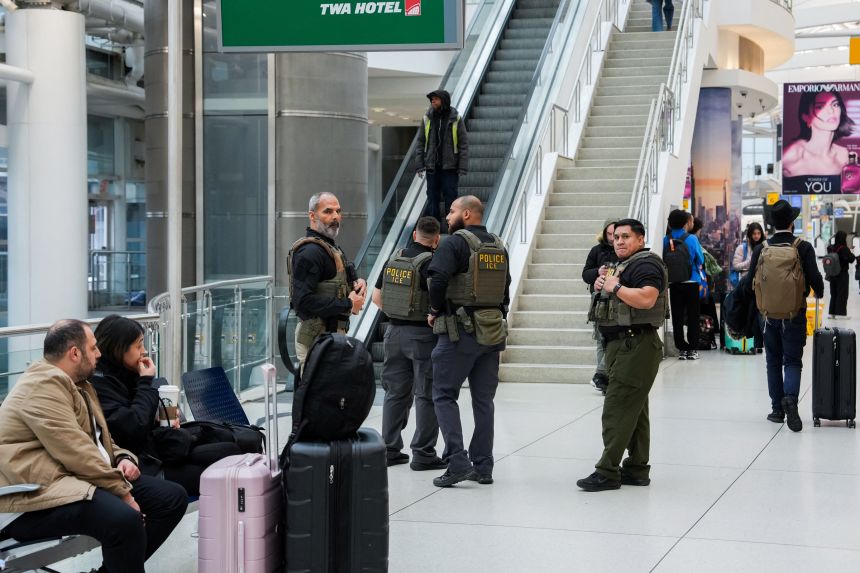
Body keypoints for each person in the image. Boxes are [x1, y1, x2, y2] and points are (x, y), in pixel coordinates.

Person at [0, 320, 187, 573]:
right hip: (30, 498)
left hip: (71, 480)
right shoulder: (42, 386)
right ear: (75, 353)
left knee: (171, 498)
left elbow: (100, 439)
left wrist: (123, 457)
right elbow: (76, 451)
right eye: (93, 348)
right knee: (125, 520)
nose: (99, 354)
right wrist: (124, 494)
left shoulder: (79, 384)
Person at [90, 315, 243, 496]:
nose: (144, 351)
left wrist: (160, 417)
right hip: (143, 463)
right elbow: (133, 427)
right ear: (118, 349)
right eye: (138, 345)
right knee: (224, 471)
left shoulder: (125, 375)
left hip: (158, 451)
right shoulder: (100, 384)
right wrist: (146, 381)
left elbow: (140, 415)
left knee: (230, 448)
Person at [426, 195, 510, 487]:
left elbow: (437, 280)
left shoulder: (453, 243)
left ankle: (457, 461)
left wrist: (435, 310)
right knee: (483, 401)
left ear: (465, 213)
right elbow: (505, 289)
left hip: (459, 332)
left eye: (450, 211)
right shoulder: (498, 245)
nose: (447, 217)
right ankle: (483, 466)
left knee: (443, 394)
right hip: (492, 332)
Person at [577, 219, 667, 492]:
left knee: (616, 409)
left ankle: (607, 471)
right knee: (635, 411)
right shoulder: (622, 264)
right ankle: (637, 469)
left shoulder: (646, 264)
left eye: (626, 237)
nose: (619, 241)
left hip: (635, 345)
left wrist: (615, 287)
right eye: (616, 237)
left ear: (640, 239)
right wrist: (602, 286)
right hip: (621, 345)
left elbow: (647, 299)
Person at [371, 216, 446, 470]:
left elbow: (376, 296)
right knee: (426, 393)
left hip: (393, 332)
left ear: (415, 235)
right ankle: (423, 453)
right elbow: (438, 296)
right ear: (436, 239)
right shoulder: (432, 262)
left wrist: (395, 314)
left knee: (395, 392)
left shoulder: (395, 258)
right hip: (422, 336)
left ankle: (390, 449)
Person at [745, 200, 825, 432]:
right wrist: (817, 291)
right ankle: (790, 398)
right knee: (792, 361)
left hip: (768, 315)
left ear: (772, 224)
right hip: (795, 314)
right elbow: (815, 280)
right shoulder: (803, 247)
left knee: (772, 361)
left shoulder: (762, 248)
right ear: (791, 222)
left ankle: (777, 410)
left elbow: (751, 281)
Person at [288, 192, 366, 367]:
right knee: (318, 392)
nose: (335, 217)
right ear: (312, 215)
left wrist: (358, 284)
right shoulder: (310, 252)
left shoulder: (329, 247)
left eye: (338, 211)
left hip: (332, 336)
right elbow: (302, 301)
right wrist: (348, 304)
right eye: (328, 211)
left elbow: (338, 282)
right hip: (316, 339)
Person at [416, 89, 469, 223]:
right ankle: (434, 226)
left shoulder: (456, 118)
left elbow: (463, 144)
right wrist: (419, 165)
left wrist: (462, 166)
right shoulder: (427, 118)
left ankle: (451, 225)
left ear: (444, 101)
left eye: (436, 99)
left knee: (450, 197)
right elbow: (420, 142)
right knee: (432, 197)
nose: (433, 101)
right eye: (432, 99)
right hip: (432, 166)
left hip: (450, 167)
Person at [782, 90, 853, 178]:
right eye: (820, 107)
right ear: (806, 117)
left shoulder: (843, 155)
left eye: (835, 104)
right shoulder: (791, 155)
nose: (831, 111)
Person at [663, 210, 704, 360]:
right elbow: (700, 260)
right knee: (693, 315)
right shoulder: (692, 238)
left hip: (674, 282)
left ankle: (681, 349)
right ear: (686, 223)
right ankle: (693, 349)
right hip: (692, 281)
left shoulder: (665, 239)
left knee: (677, 316)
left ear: (669, 223)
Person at [582, 219, 617, 394]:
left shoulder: (624, 251)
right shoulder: (597, 251)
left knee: (612, 339)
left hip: (618, 300)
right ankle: (603, 380)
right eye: (609, 234)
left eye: (615, 234)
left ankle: (602, 375)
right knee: (600, 340)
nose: (612, 238)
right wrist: (597, 272)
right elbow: (585, 274)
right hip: (599, 301)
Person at [731, 222, 766, 351]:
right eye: (754, 234)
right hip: (747, 286)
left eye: (758, 233)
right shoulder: (742, 248)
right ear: (750, 235)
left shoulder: (766, 247)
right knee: (750, 312)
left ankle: (758, 342)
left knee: (758, 313)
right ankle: (751, 341)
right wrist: (750, 262)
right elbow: (735, 265)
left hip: (762, 285)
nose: (756, 236)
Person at [826, 230, 856, 318]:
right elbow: (851, 259)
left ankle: (832, 314)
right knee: (842, 293)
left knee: (834, 294)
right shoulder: (844, 248)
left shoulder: (830, 247)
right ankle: (841, 314)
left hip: (832, 274)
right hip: (842, 274)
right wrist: (851, 251)